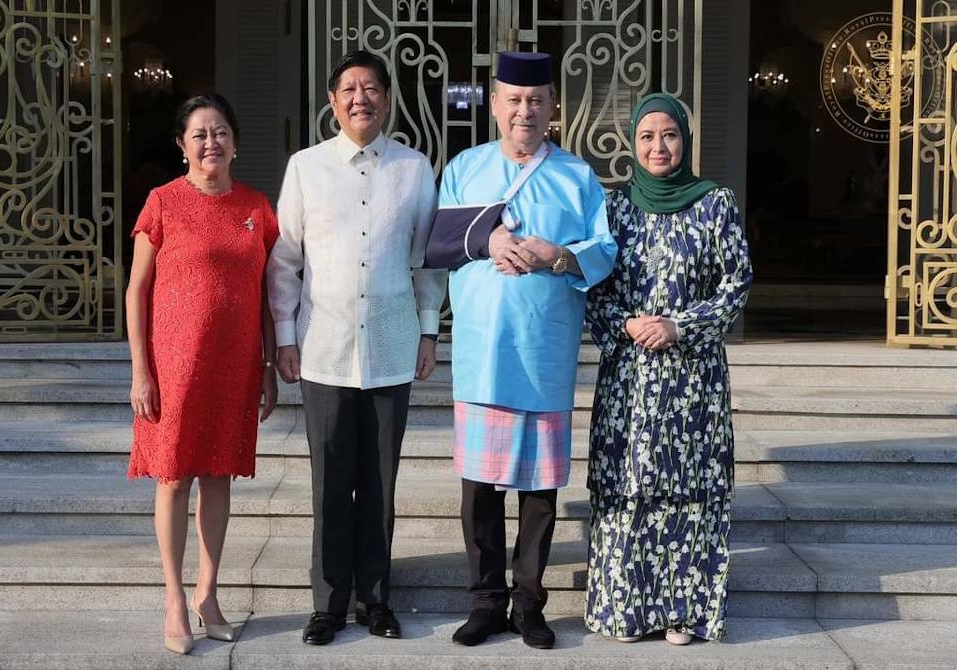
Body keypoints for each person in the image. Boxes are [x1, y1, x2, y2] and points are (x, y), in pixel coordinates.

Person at [267, 50, 447, 646]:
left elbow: (427, 261)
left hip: (392, 348)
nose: (360, 98)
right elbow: (285, 263)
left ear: (388, 98)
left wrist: (428, 329)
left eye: (371, 88)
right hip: (323, 349)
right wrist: (285, 339)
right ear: (332, 100)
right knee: (329, 484)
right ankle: (328, 603)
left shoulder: (415, 169)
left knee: (379, 484)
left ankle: (375, 598)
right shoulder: (305, 167)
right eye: (349, 88)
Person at [439, 51, 617, 650]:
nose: (525, 110)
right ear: (494, 104)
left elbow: (604, 250)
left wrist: (557, 255)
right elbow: (438, 237)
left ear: (551, 106)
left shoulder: (577, 176)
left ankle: (529, 605)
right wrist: (487, 237)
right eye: (513, 100)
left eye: (536, 100)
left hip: (543, 349)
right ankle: (485, 602)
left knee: (540, 491)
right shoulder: (464, 167)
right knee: (480, 487)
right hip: (483, 349)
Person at [584, 93, 753, 645]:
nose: (659, 147)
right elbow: (592, 289)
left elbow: (737, 283)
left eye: (670, 135)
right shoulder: (614, 208)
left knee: (688, 490)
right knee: (628, 486)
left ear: (686, 140)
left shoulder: (715, 203)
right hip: (630, 378)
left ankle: (684, 613)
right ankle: (625, 611)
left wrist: (681, 326)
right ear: (634, 144)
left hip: (692, 380)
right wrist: (629, 323)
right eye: (648, 136)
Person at [126, 93, 279, 655]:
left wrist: (267, 364)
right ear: (182, 146)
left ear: (235, 142)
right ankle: (173, 596)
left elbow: (267, 293)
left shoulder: (258, 207)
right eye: (199, 134)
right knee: (173, 476)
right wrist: (141, 370)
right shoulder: (162, 203)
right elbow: (136, 290)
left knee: (219, 477)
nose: (210, 142)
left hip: (234, 367)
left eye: (220, 132)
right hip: (173, 366)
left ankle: (208, 594)